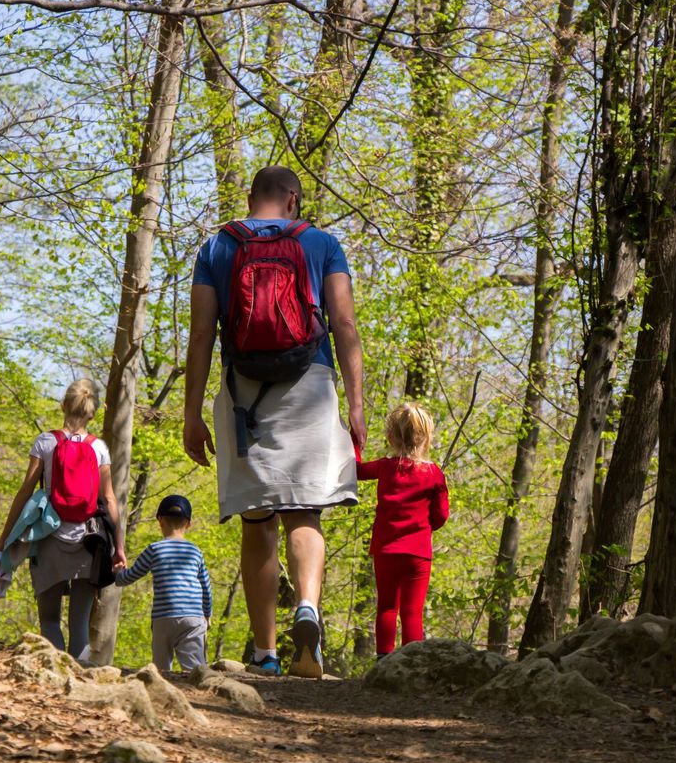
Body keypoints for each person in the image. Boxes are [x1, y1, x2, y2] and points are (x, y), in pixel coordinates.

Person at [183, 165, 365, 678]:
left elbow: (201, 334)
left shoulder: (219, 247)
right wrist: (355, 405)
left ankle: (265, 654)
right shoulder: (321, 243)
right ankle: (307, 606)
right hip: (310, 382)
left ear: (250, 197)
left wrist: (192, 412)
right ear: (293, 199)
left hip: (246, 394)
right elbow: (344, 322)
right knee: (305, 513)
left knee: (257, 521)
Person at [0, 378, 126, 659]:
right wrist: (119, 548)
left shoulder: (45, 442)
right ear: (93, 412)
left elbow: (25, 492)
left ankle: (56, 682)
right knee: (79, 625)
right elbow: (110, 499)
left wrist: (4, 540)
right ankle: (80, 686)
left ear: (63, 405)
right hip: (89, 542)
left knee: (50, 620)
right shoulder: (98, 448)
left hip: (49, 538)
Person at [356, 402, 450, 658]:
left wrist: (355, 441)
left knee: (387, 607)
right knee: (412, 611)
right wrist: (425, 527)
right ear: (427, 438)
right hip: (418, 554)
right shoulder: (434, 474)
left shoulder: (385, 467)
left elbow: (356, 470)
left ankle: (383, 658)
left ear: (392, 437)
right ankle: (411, 662)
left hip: (386, 550)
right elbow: (441, 516)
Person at [115, 495, 213, 672]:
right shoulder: (195, 552)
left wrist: (118, 573)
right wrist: (207, 614)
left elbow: (130, 577)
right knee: (195, 670)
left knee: (161, 670)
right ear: (189, 524)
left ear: (160, 520)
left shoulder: (154, 549)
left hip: (163, 617)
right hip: (193, 617)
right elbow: (206, 587)